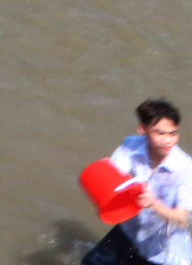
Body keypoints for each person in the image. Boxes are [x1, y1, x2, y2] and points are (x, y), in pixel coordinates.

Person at [82, 99, 192, 265]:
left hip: (161, 251)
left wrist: (154, 204)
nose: (167, 141)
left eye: (173, 133)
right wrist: (107, 171)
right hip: (129, 230)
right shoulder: (131, 144)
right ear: (143, 129)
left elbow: (182, 219)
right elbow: (115, 174)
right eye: (160, 133)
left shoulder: (185, 168)